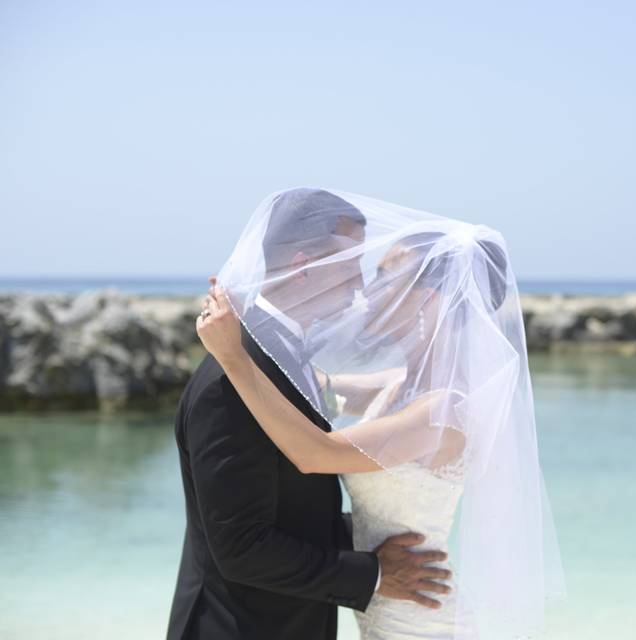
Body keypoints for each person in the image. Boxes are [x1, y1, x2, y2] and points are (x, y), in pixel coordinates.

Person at [195, 187, 564, 639]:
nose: (367, 289)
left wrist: (234, 357)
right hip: (387, 605)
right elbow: (311, 385)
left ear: (429, 297)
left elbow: (315, 453)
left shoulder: (441, 411)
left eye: (385, 275)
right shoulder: (397, 384)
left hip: (420, 616)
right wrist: (250, 327)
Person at [167, 189, 449, 640]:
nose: (361, 286)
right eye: (353, 264)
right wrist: (373, 575)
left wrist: (380, 541)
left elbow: (292, 508)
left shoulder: (284, 358)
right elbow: (241, 548)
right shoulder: (232, 377)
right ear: (304, 266)